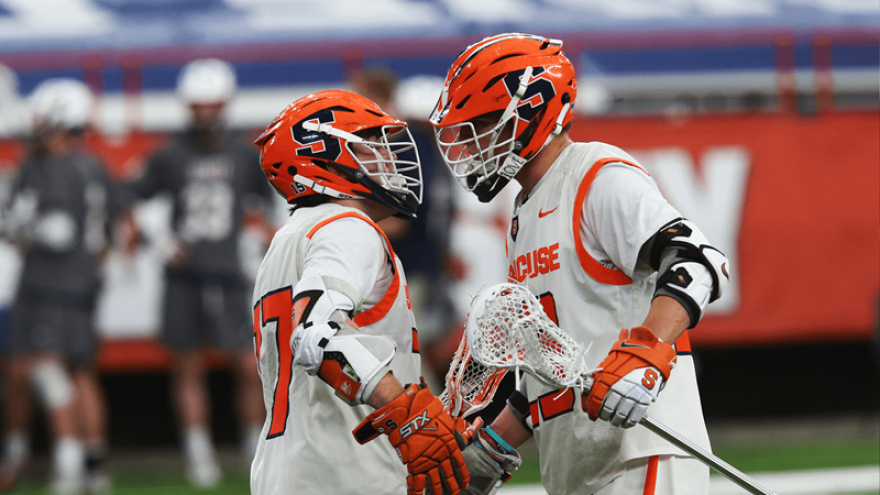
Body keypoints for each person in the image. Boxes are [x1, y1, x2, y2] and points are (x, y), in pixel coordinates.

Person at [429, 33, 730, 495]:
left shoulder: (596, 174)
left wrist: (647, 354)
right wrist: (489, 451)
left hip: (640, 451)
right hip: (580, 463)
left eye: (485, 123)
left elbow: (698, 260)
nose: (471, 144)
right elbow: (554, 374)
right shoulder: (526, 211)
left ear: (531, 110)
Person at [249, 89, 470, 495]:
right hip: (348, 473)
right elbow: (317, 335)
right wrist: (408, 414)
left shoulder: (287, 240)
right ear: (325, 162)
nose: (388, 159)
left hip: (285, 471)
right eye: (368, 147)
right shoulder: (348, 227)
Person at [124, 58, 272, 487]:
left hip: (230, 273)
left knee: (248, 365)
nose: (204, 114)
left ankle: (254, 445)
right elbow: (128, 196)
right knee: (186, 364)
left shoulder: (245, 153)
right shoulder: (169, 154)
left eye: (210, 105)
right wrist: (156, 237)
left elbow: (272, 203)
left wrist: (260, 239)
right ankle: (198, 451)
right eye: (197, 106)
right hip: (185, 274)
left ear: (224, 104)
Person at [0, 78, 118, 495]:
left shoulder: (59, 167)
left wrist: (13, 224)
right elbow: (111, 227)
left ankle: (68, 469)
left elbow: (57, 231)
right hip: (75, 281)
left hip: (53, 283)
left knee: (49, 372)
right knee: (76, 371)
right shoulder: (91, 165)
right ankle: (93, 464)